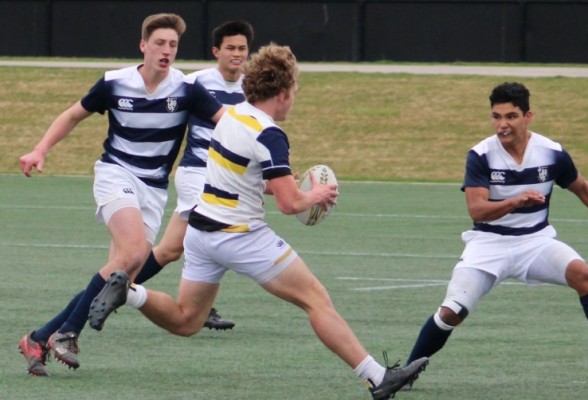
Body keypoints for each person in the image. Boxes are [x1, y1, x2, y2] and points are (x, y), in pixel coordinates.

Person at [87, 43, 429, 400]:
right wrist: (316, 196)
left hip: (201, 233)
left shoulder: (233, 115)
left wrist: (288, 184)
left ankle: (130, 292)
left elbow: (247, 176)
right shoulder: (270, 134)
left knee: (187, 319)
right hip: (240, 236)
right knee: (316, 299)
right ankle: (378, 377)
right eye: (294, 92)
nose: (294, 100)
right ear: (281, 94)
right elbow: (288, 204)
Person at [403, 82, 588, 388]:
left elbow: (581, 186)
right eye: (496, 117)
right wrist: (515, 201)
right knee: (451, 312)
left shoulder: (551, 152)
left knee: (584, 275)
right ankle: (404, 374)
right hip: (489, 245)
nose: (502, 125)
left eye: (511, 116)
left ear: (528, 116)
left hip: (535, 242)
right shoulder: (480, 155)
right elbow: (477, 210)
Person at [17, 13, 226, 376]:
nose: (166, 51)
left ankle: (39, 336)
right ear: (143, 46)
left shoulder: (186, 89)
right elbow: (72, 115)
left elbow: (230, 122)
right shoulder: (115, 83)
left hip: (154, 189)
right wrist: (40, 149)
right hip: (116, 174)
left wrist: (266, 153)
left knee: (122, 272)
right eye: (159, 43)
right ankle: (67, 333)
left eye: (172, 45)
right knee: (132, 253)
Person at [135, 20, 256, 331]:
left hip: (228, 180)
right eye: (230, 48)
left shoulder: (252, 89)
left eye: (242, 48)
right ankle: (200, 304)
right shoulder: (196, 83)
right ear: (217, 51)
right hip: (196, 175)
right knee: (215, 235)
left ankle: (117, 287)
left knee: (170, 249)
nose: (237, 54)